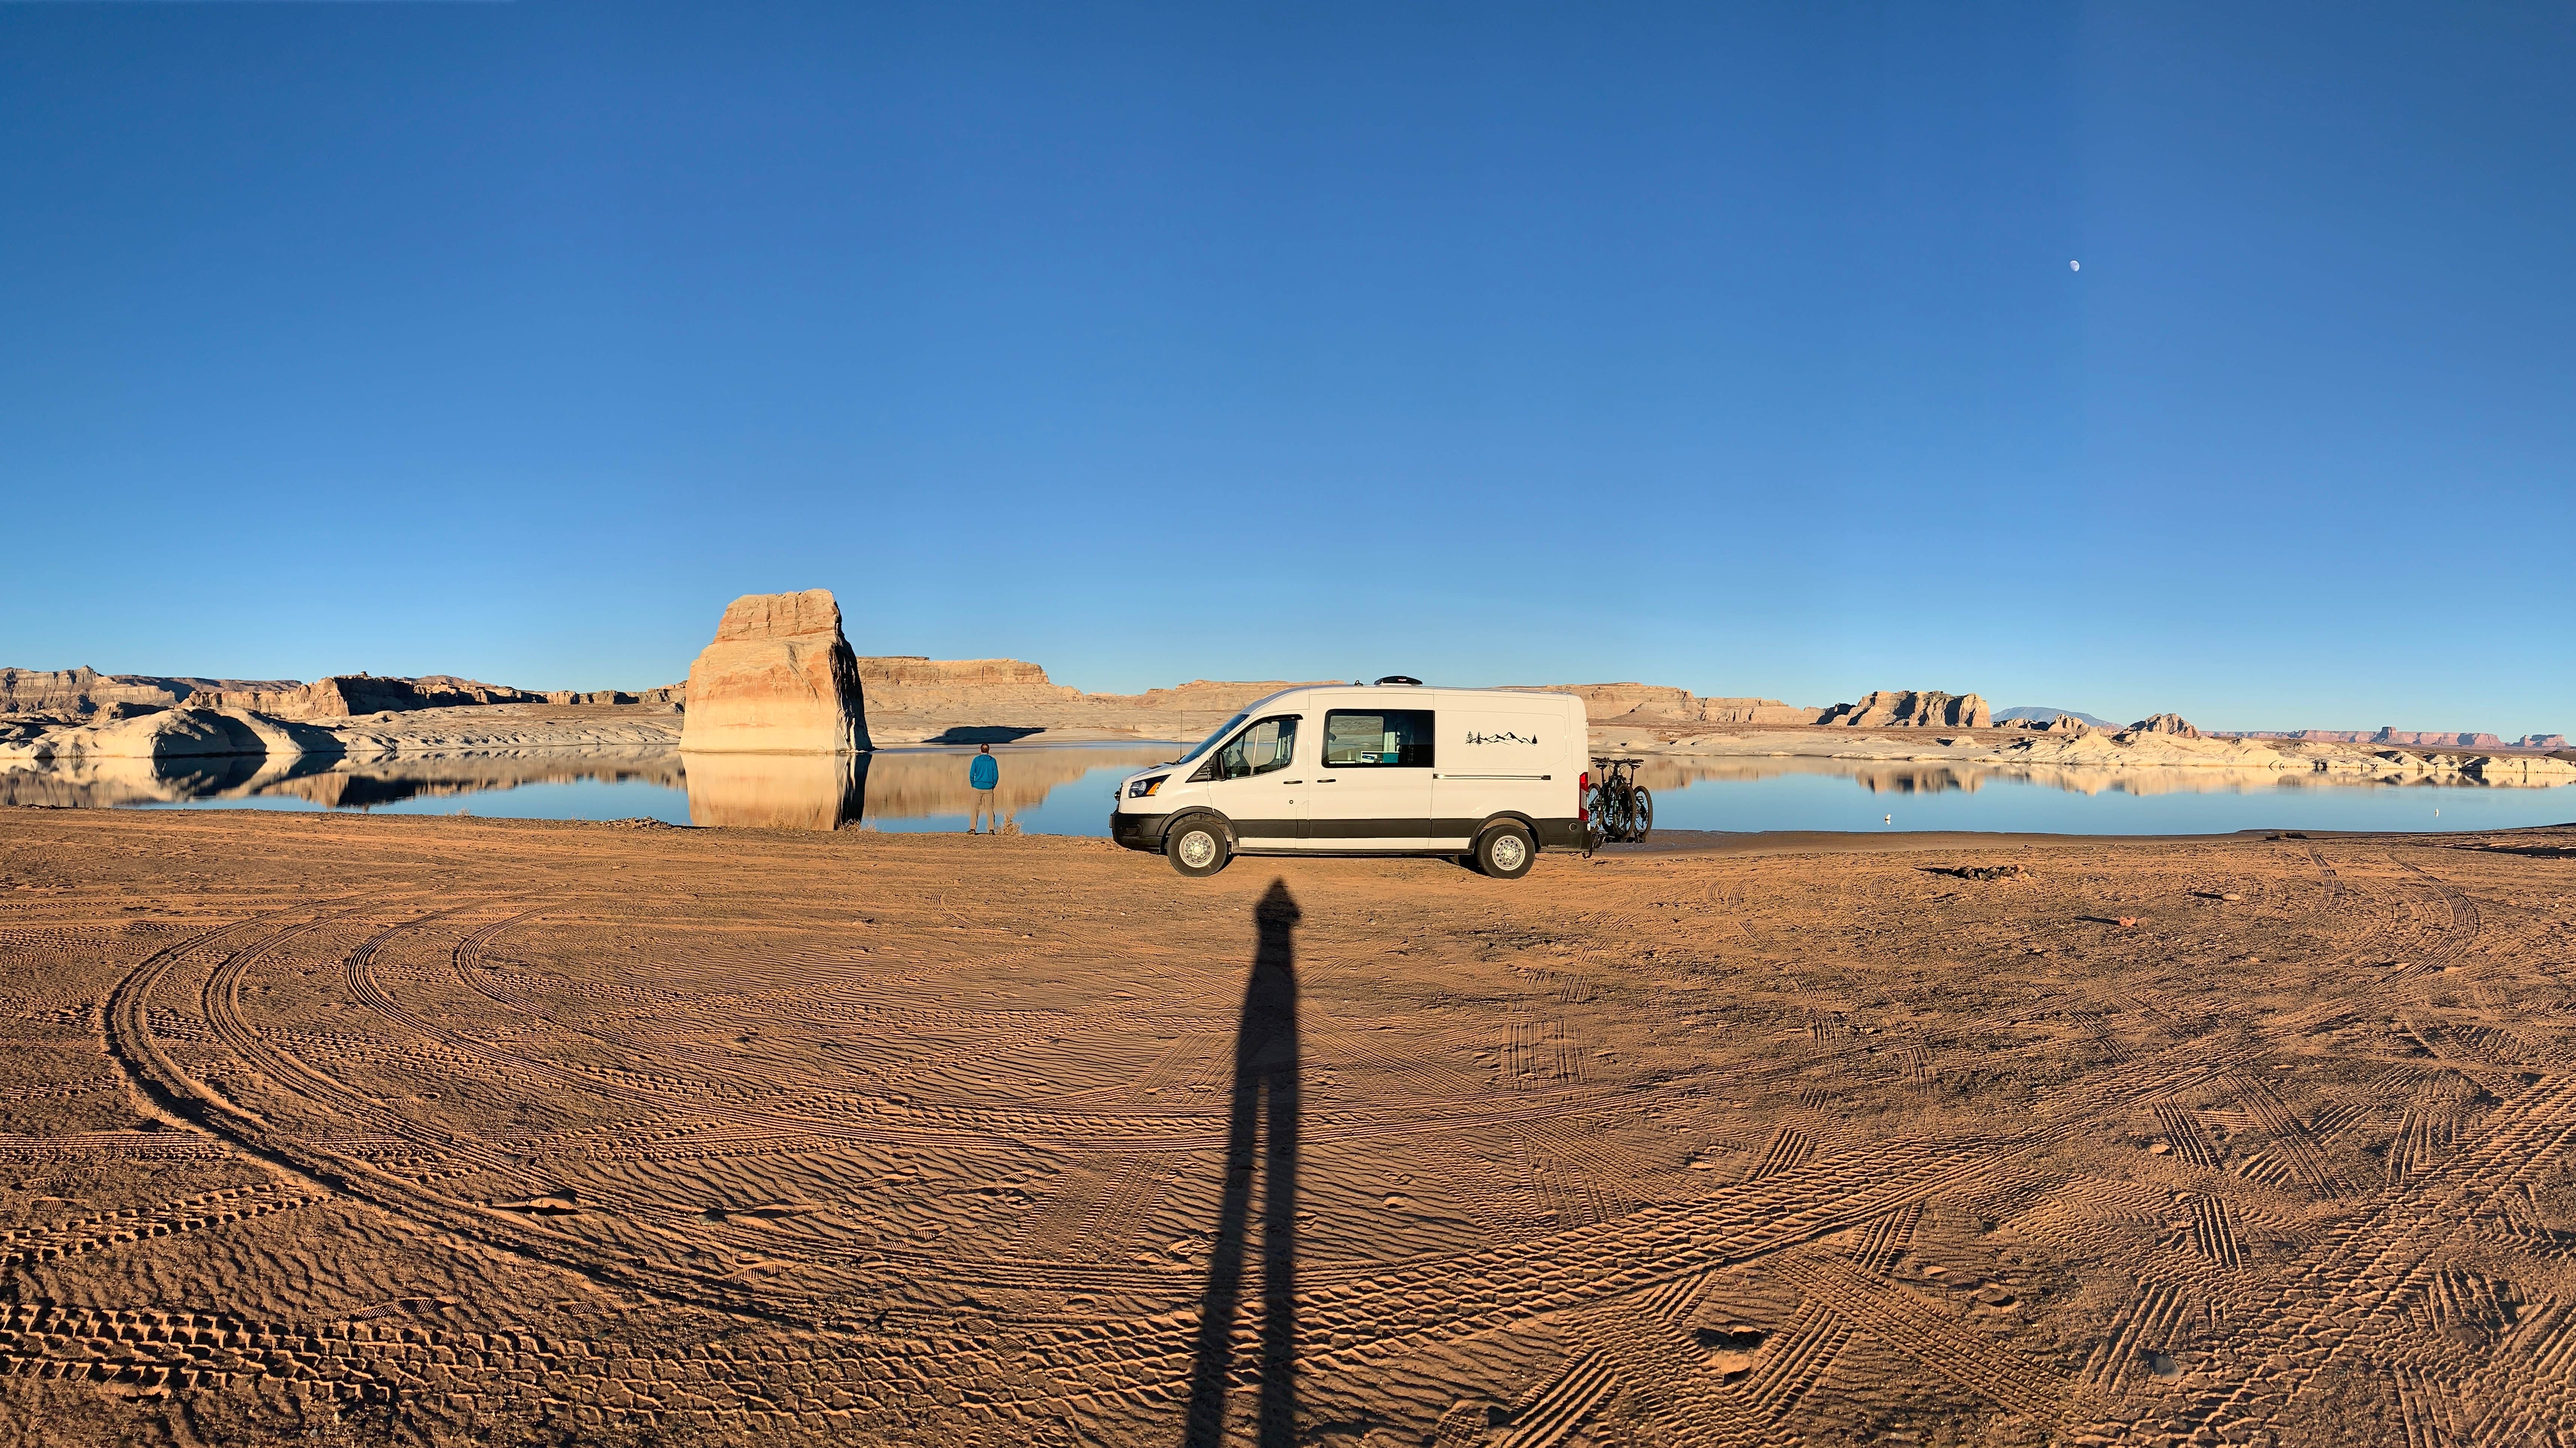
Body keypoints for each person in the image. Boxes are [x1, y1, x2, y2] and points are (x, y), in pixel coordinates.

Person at [969, 744, 1000, 833]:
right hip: (989, 788)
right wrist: (993, 785)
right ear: (989, 750)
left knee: (975, 808)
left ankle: (973, 829)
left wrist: (973, 784)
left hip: (977, 787)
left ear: (981, 750)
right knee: (990, 808)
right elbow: (996, 775)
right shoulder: (993, 761)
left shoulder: (976, 760)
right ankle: (991, 830)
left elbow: (972, 774)